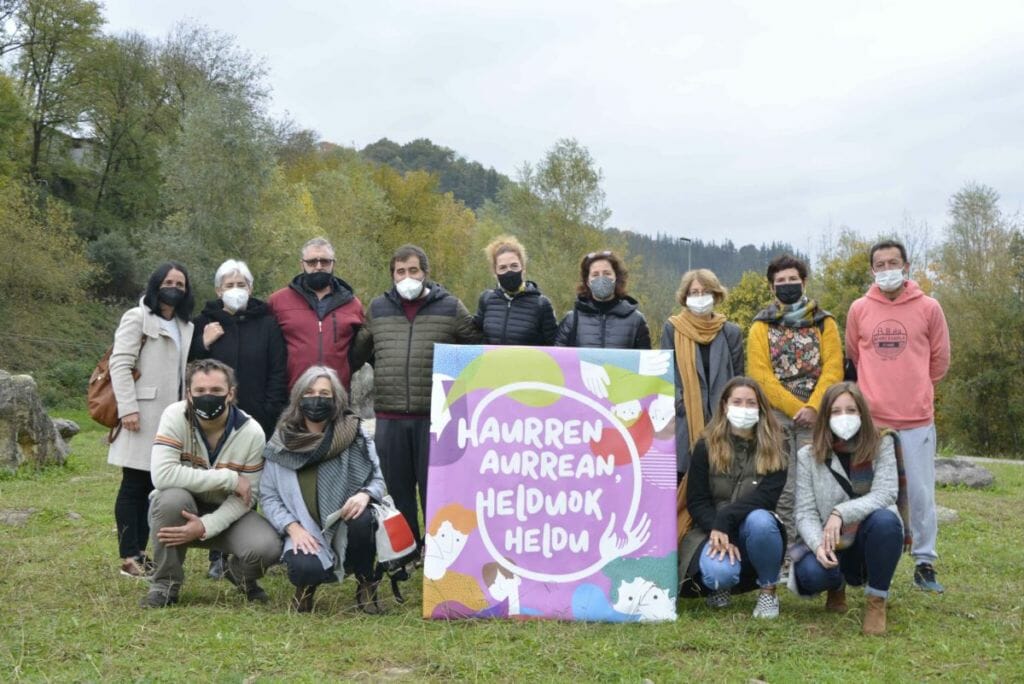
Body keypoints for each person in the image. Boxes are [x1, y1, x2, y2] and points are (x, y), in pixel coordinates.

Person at [353, 244, 480, 548]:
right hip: (390, 416)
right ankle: (406, 551)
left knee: (437, 489)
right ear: (392, 275)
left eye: (413, 270)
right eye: (400, 271)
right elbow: (359, 350)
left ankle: (438, 550)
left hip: (435, 418)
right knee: (396, 490)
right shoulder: (378, 308)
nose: (407, 277)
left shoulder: (450, 306)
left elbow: (477, 346)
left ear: (425, 272)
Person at [846, 239, 950, 593]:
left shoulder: (929, 307)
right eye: (880, 263)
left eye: (893, 262)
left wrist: (915, 387)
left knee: (921, 494)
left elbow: (940, 361)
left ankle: (924, 562)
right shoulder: (859, 308)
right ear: (872, 270)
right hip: (872, 422)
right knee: (870, 493)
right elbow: (855, 358)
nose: (887, 268)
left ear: (906, 266)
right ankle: (862, 558)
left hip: (916, 417)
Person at [141, 359, 282, 608]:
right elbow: (162, 475)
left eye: (216, 391)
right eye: (200, 391)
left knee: (268, 547)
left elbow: (247, 497)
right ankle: (165, 585)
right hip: (182, 509)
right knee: (169, 499)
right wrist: (228, 477)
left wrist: (205, 526)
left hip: (228, 513)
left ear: (231, 394)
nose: (208, 397)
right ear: (188, 394)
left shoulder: (252, 433)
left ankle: (239, 574)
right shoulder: (174, 416)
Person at [190, 259, 288, 579]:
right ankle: (215, 553)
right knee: (216, 482)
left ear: (251, 288)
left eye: (241, 284)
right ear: (218, 290)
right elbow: (191, 368)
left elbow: (278, 370)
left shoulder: (268, 323)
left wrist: (271, 410)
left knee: (250, 484)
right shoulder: (203, 323)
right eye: (229, 285)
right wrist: (201, 343)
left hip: (257, 420)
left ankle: (246, 549)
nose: (235, 290)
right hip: (213, 421)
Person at [260, 366, 386, 613]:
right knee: (305, 568)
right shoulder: (281, 440)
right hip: (305, 531)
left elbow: (379, 481)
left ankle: (365, 582)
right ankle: (306, 589)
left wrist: (364, 494)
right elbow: (268, 495)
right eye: (309, 392)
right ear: (298, 398)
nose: (316, 399)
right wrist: (293, 528)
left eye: (324, 393)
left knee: (364, 520)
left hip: (345, 526)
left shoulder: (355, 433)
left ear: (336, 399)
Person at [790, 382, 908, 635]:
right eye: (836, 411)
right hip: (829, 539)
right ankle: (836, 585)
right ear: (825, 417)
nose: (844, 417)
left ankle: (876, 601)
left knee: (886, 521)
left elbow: (886, 493)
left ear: (862, 413)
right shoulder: (808, 455)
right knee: (809, 575)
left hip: (867, 537)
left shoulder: (882, 443)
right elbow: (805, 512)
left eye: (851, 410)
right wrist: (817, 545)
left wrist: (841, 512)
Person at [746, 254, 842, 555]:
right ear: (772, 287)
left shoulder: (825, 322)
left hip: (817, 415)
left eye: (792, 280)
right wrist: (794, 408)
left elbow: (833, 368)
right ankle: (785, 554)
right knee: (783, 488)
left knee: (816, 485)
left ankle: (816, 550)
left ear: (804, 281)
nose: (787, 285)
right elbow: (760, 374)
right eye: (780, 281)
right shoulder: (761, 325)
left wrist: (813, 407)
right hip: (778, 418)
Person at [108, 262, 195, 579]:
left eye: (181, 283)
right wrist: (127, 408)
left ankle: (149, 553)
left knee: (158, 485)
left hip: (172, 418)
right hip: (141, 415)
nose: (175, 286)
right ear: (156, 284)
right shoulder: (137, 317)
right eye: (169, 281)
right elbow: (120, 364)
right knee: (134, 484)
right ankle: (130, 555)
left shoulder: (186, 326)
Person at [677, 377, 787, 619]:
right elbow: (697, 500)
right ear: (725, 405)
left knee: (762, 520)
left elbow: (766, 499)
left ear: (760, 408)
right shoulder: (705, 446)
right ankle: (721, 587)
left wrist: (725, 519)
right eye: (737, 402)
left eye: (751, 403)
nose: (744, 408)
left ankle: (768, 591)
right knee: (719, 574)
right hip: (712, 529)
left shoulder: (776, 448)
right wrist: (715, 527)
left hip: (754, 529)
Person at [661, 268, 744, 477]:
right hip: (685, 418)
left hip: (722, 418)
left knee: (721, 475)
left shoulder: (730, 332)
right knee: (684, 476)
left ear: (716, 295)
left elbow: (738, 377)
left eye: (705, 291)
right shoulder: (672, 329)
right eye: (694, 292)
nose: (700, 297)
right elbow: (665, 373)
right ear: (685, 297)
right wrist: (680, 403)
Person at [268, 237, 364, 391]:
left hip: (336, 395)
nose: (319, 267)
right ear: (302, 264)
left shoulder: (353, 304)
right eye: (312, 262)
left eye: (325, 261)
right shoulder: (278, 302)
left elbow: (361, 350)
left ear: (333, 263)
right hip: (291, 394)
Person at [554, 250, 651, 349]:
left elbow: (645, 361)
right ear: (587, 281)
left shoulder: (636, 320)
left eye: (607, 273)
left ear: (616, 277)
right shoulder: (571, 320)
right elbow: (559, 359)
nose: (601, 279)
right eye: (595, 275)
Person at [473, 235, 558, 345]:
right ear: (495, 272)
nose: (509, 271)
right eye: (503, 268)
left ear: (523, 268)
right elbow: (475, 337)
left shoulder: (541, 304)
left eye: (514, 266)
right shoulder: (486, 300)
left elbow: (554, 347)